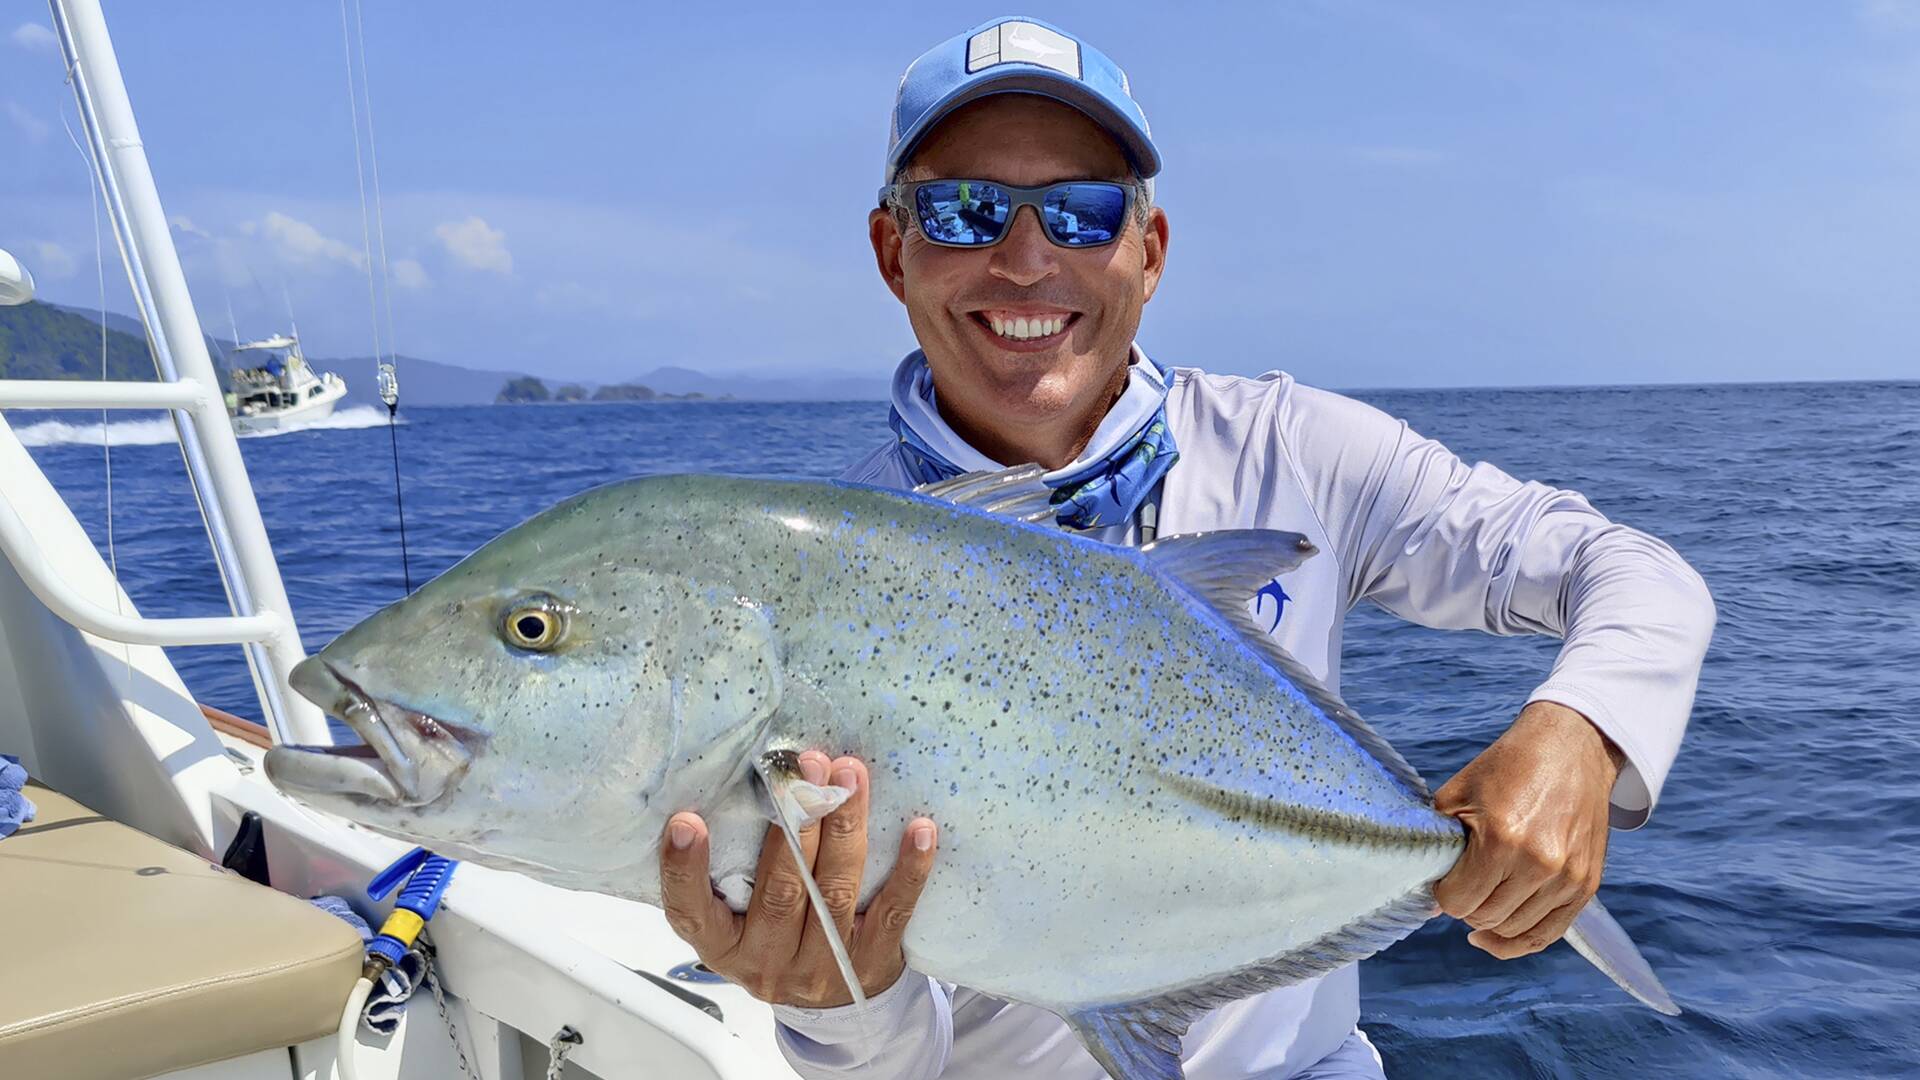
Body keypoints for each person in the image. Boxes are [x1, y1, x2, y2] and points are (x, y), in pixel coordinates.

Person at [659, 16, 1715, 1079]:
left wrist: (1581, 733)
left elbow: (1635, 575)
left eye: (1082, 211)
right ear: (896, 253)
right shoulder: (822, 574)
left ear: (1148, 253)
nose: (1026, 259)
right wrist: (835, 1000)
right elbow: (897, 1062)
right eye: (964, 208)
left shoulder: (1293, 451)